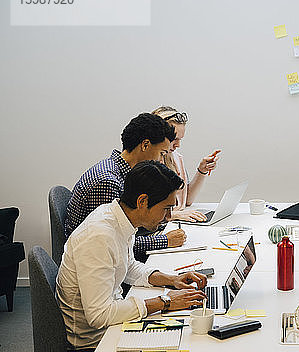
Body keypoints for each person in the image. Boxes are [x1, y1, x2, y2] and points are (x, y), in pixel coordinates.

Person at [57, 161, 208, 350]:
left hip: (114, 322)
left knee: (190, 332)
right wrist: (165, 301)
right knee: (191, 339)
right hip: (98, 340)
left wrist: (171, 279)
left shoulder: (119, 218)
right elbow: (99, 316)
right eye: (165, 208)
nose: (169, 217)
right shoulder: (99, 237)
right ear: (142, 202)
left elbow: (127, 266)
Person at [66, 113, 187, 260]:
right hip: (95, 261)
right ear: (145, 145)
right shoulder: (108, 183)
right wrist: (165, 240)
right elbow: (116, 241)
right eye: (161, 153)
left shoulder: (119, 171)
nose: (161, 161)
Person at [151, 106, 221, 222]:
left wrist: (201, 171)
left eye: (180, 140)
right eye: (174, 139)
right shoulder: (147, 164)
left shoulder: (176, 158)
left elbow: (186, 200)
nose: (178, 145)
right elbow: (143, 215)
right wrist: (175, 216)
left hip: (176, 221)